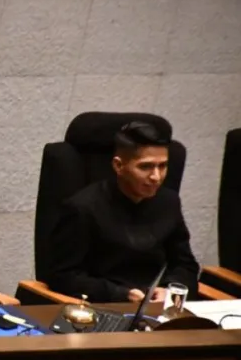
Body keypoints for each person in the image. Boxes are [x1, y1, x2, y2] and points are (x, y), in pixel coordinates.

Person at [46, 121, 199, 303]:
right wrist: (121, 294)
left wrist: (170, 289)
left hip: (155, 305)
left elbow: (185, 265)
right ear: (119, 166)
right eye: (145, 167)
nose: (156, 177)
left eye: (163, 166)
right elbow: (62, 276)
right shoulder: (83, 207)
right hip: (101, 305)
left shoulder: (169, 202)